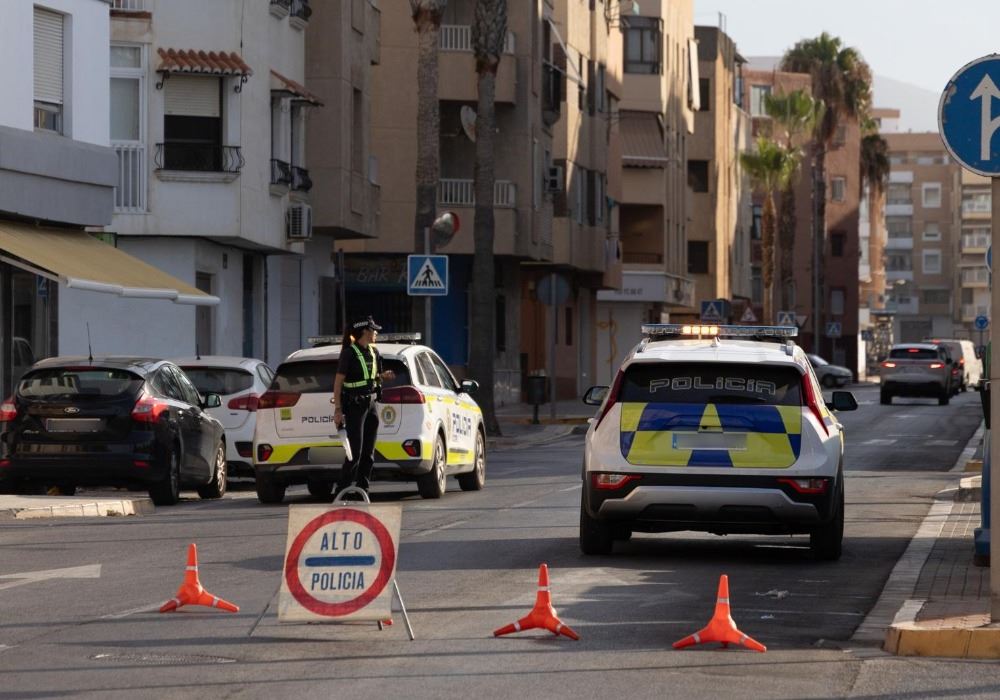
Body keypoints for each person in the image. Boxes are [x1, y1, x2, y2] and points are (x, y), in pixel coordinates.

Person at [332, 316, 395, 499]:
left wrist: (383, 376)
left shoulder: (374, 353)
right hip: (355, 406)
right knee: (355, 453)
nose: (376, 332)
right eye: (373, 329)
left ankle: (363, 491)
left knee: (369, 454)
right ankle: (341, 492)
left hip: (372, 405)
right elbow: (338, 384)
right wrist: (338, 410)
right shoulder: (349, 353)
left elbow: (371, 377)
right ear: (364, 332)